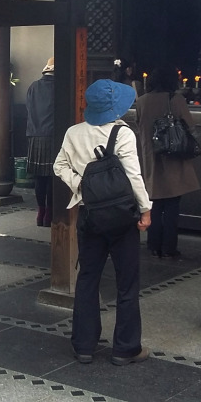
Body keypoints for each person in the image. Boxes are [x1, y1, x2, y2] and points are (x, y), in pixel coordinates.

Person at [53, 79, 151, 366]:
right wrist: (145, 209)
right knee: (127, 283)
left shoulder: (74, 132)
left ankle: (84, 345)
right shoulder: (123, 133)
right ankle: (125, 348)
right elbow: (133, 176)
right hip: (122, 217)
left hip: (90, 215)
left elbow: (59, 165)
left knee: (87, 279)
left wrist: (81, 186)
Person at [135, 66, 199, 258]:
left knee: (154, 204)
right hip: (173, 157)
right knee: (172, 206)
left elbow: (139, 125)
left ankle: (153, 244)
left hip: (151, 157)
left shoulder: (142, 101)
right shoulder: (176, 99)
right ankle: (169, 247)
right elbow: (189, 124)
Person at [26, 57, 56, 227]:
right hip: (52, 135)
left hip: (35, 135)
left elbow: (29, 110)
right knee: (52, 177)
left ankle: (40, 212)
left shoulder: (33, 86)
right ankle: (49, 214)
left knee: (40, 178)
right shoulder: (59, 87)